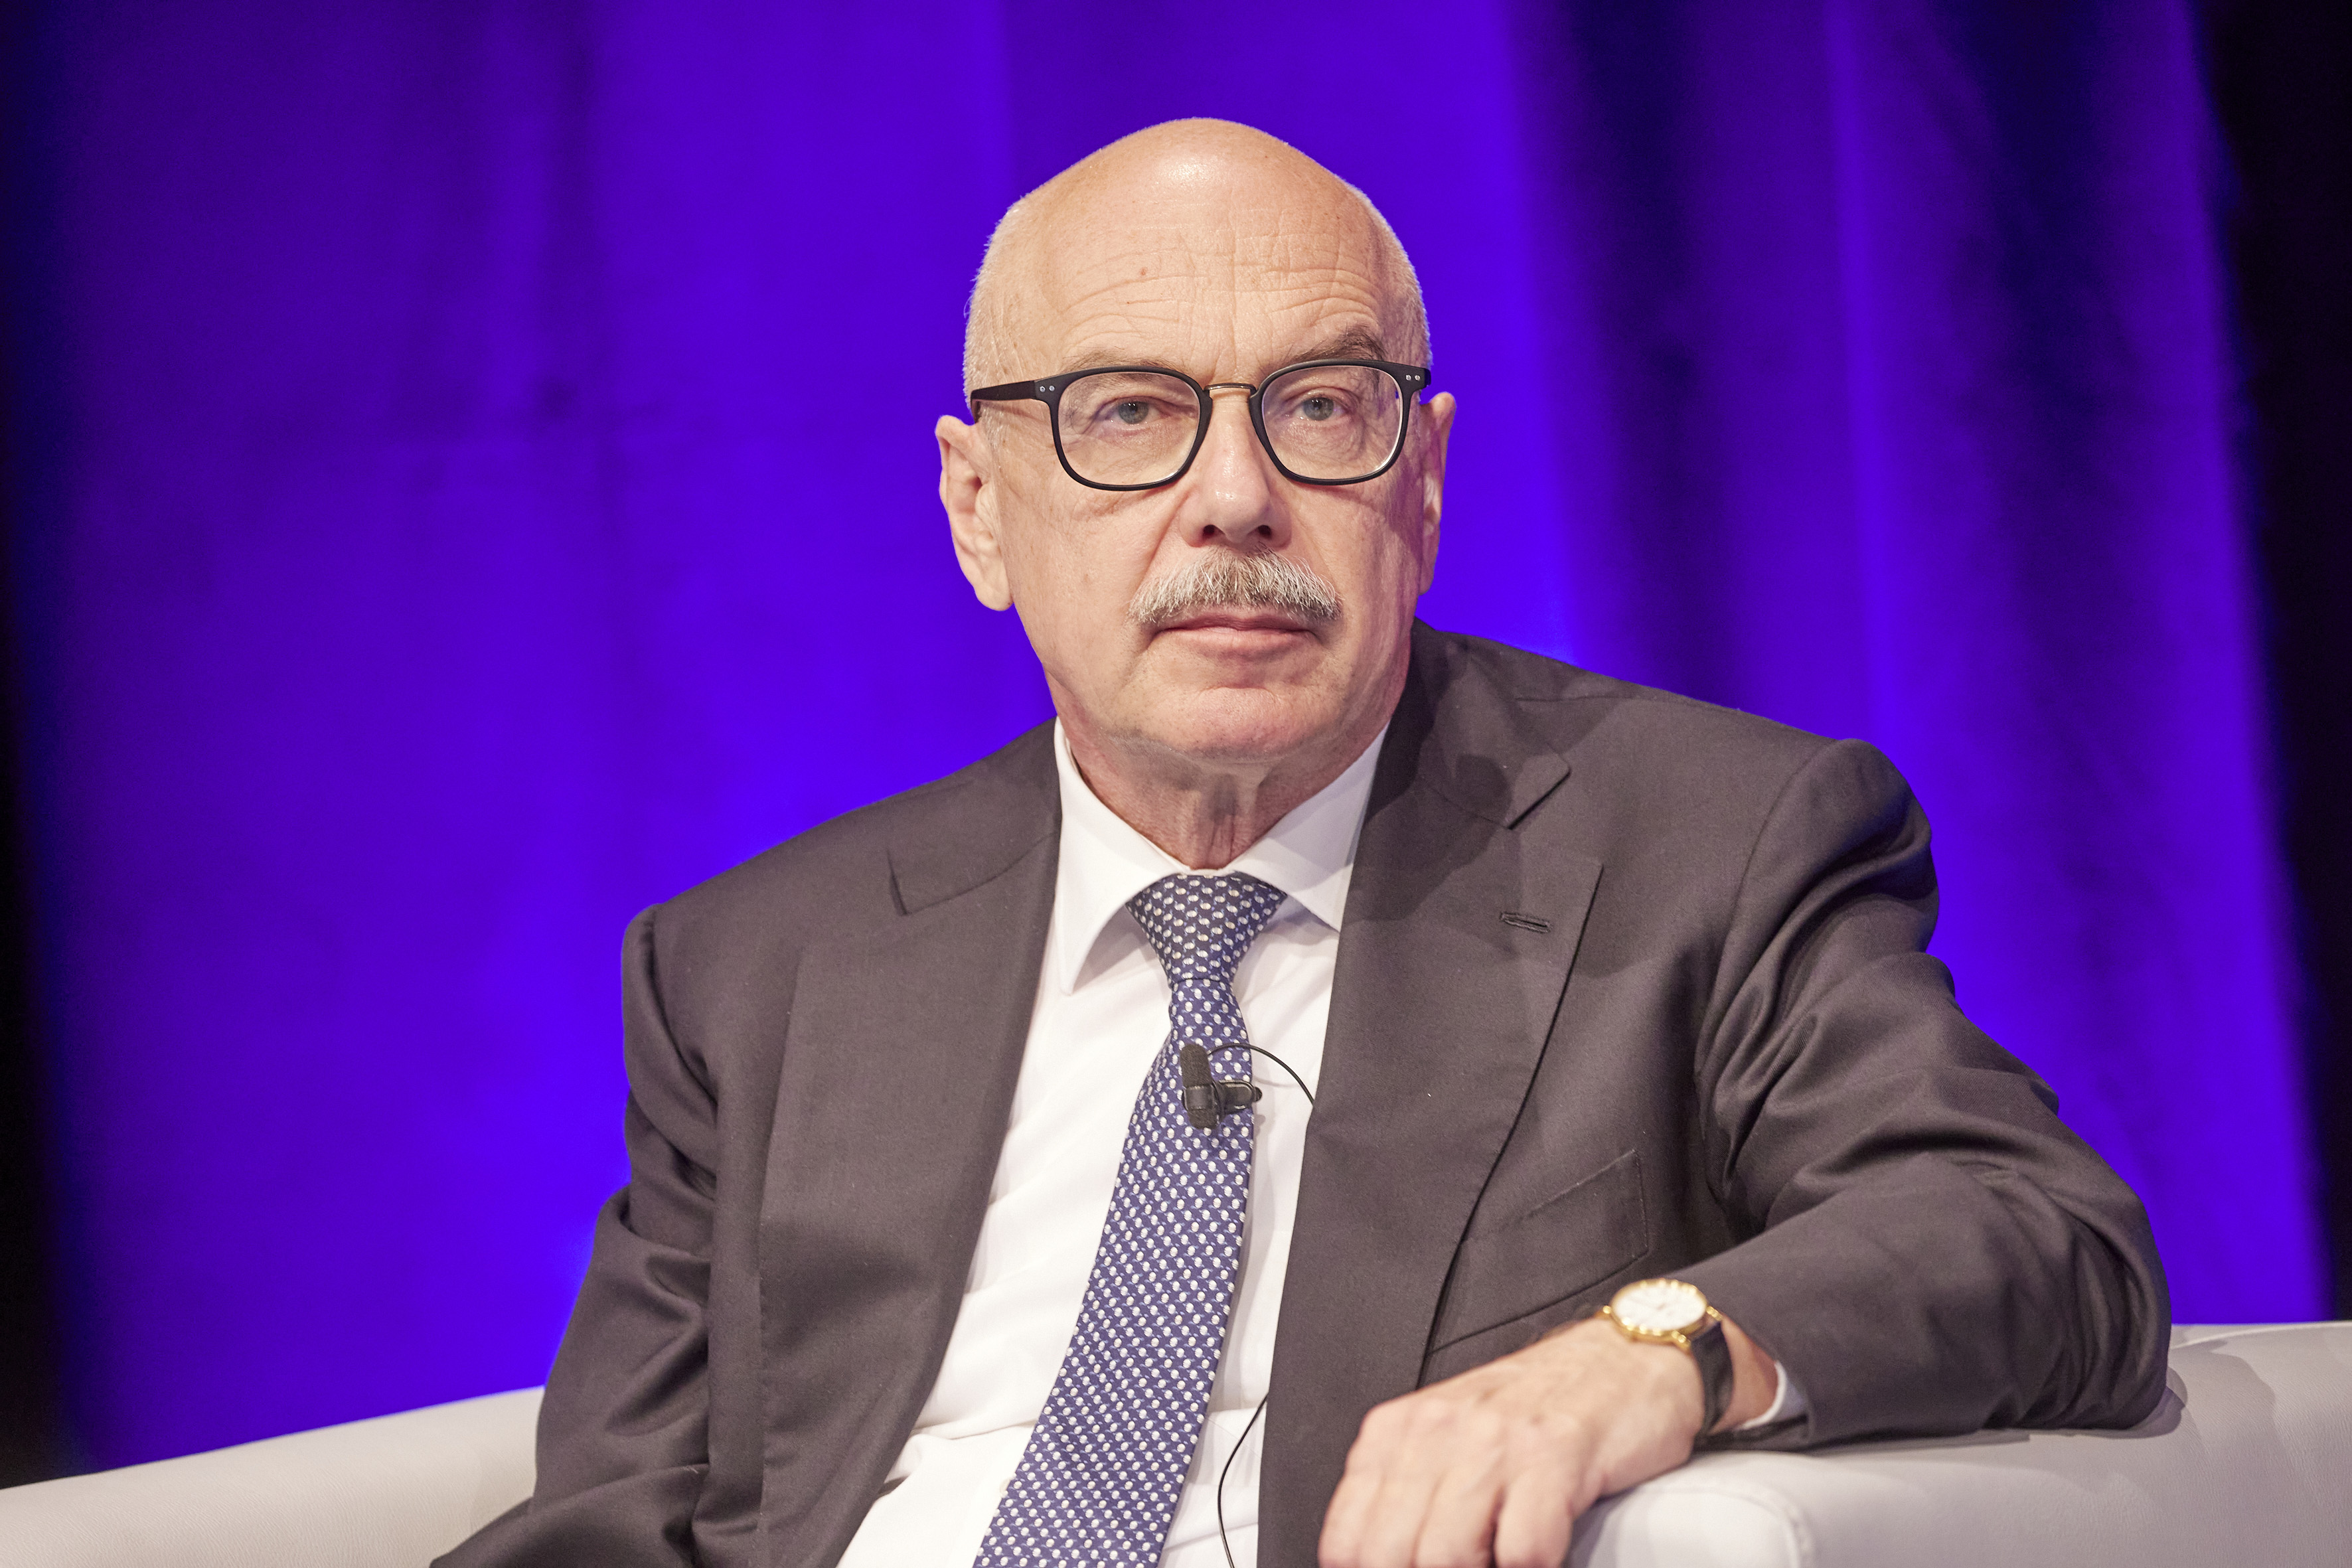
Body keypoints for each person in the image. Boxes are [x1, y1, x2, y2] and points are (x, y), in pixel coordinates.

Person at [440, 119, 2167, 1568]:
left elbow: (2029, 1230)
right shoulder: (761, 967)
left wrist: (1645, 1351)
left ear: (1424, 483)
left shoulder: (1708, 848)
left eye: (1323, 406)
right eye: (1129, 413)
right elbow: (618, 1513)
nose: (1235, 496)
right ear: (981, 511)